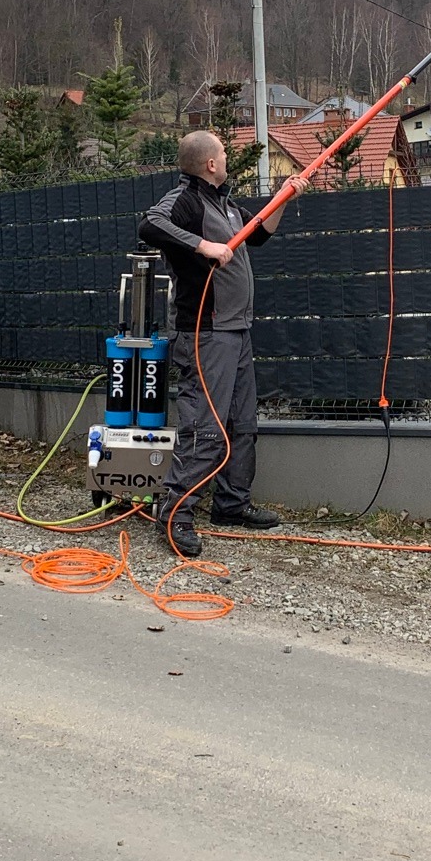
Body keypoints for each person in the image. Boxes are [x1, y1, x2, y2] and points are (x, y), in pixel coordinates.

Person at [139, 129, 297, 557]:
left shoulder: (224, 203)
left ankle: (231, 504)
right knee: (205, 428)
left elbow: (258, 234)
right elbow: (149, 223)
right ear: (210, 163)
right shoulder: (185, 199)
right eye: (223, 153)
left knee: (242, 424)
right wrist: (203, 244)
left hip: (236, 332)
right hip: (206, 334)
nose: (227, 158)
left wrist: (283, 197)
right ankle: (174, 513)